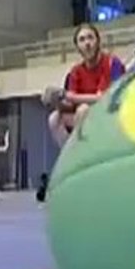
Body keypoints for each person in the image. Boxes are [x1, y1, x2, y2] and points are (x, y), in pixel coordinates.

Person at [36, 22, 125, 201]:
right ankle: (74, 163)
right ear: (77, 46)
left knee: (83, 110)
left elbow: (104, 98)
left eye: (90, 38)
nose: (87, 43)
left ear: (98, 41)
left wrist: (69, 96)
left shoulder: (112, 64)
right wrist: (55, 101)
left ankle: (81, 167)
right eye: (82, 40)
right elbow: (68, 103)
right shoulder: (75, 72)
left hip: (111, 118)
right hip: (83, 122)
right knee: (54, 119)